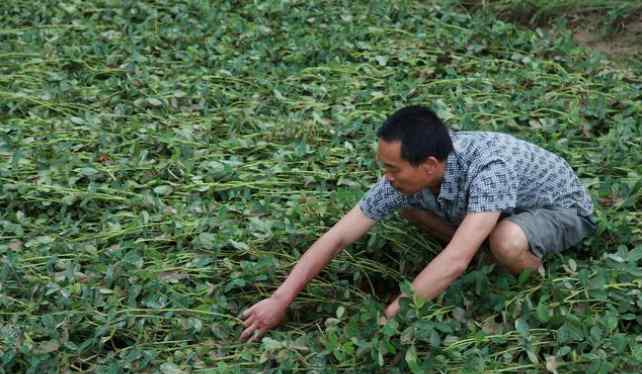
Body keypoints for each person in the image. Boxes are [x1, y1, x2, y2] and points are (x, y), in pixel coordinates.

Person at [240, 105, 596, 342]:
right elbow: (338, 236)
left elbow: (455, 260)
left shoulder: (490, 169)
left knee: (505, 242)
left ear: (428, 165)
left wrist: (388, 320)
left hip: (561, 209)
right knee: (410, 207)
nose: (386, 178)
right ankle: (485, 248)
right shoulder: (408, 177)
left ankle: (532, 278)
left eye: (392, 169)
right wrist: (280, 298)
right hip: (500, 208)